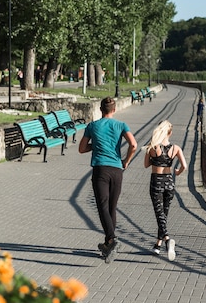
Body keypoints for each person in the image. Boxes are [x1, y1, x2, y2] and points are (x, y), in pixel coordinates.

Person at [79, 96, 137, 263]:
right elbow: (133, 145)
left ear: (100, 109)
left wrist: (96, 145)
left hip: (101, 170)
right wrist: (126, 161)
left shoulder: (92, 126)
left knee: (102, 206)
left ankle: (112, 239)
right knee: (112, 207)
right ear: (114, 109)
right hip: (117, 170)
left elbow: (82, 149)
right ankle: (107, 245)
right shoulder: (121, 125)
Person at [144, 120, 187, 261]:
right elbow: (184, 166)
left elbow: (146, 164)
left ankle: (168, 240)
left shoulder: (152, 147)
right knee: (163, 215)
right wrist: (178, 172)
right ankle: (158, 245)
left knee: (159, 214)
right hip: (169, 183)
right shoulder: (176, 148)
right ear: (170, 133)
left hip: (156, 182)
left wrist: (153, 159)